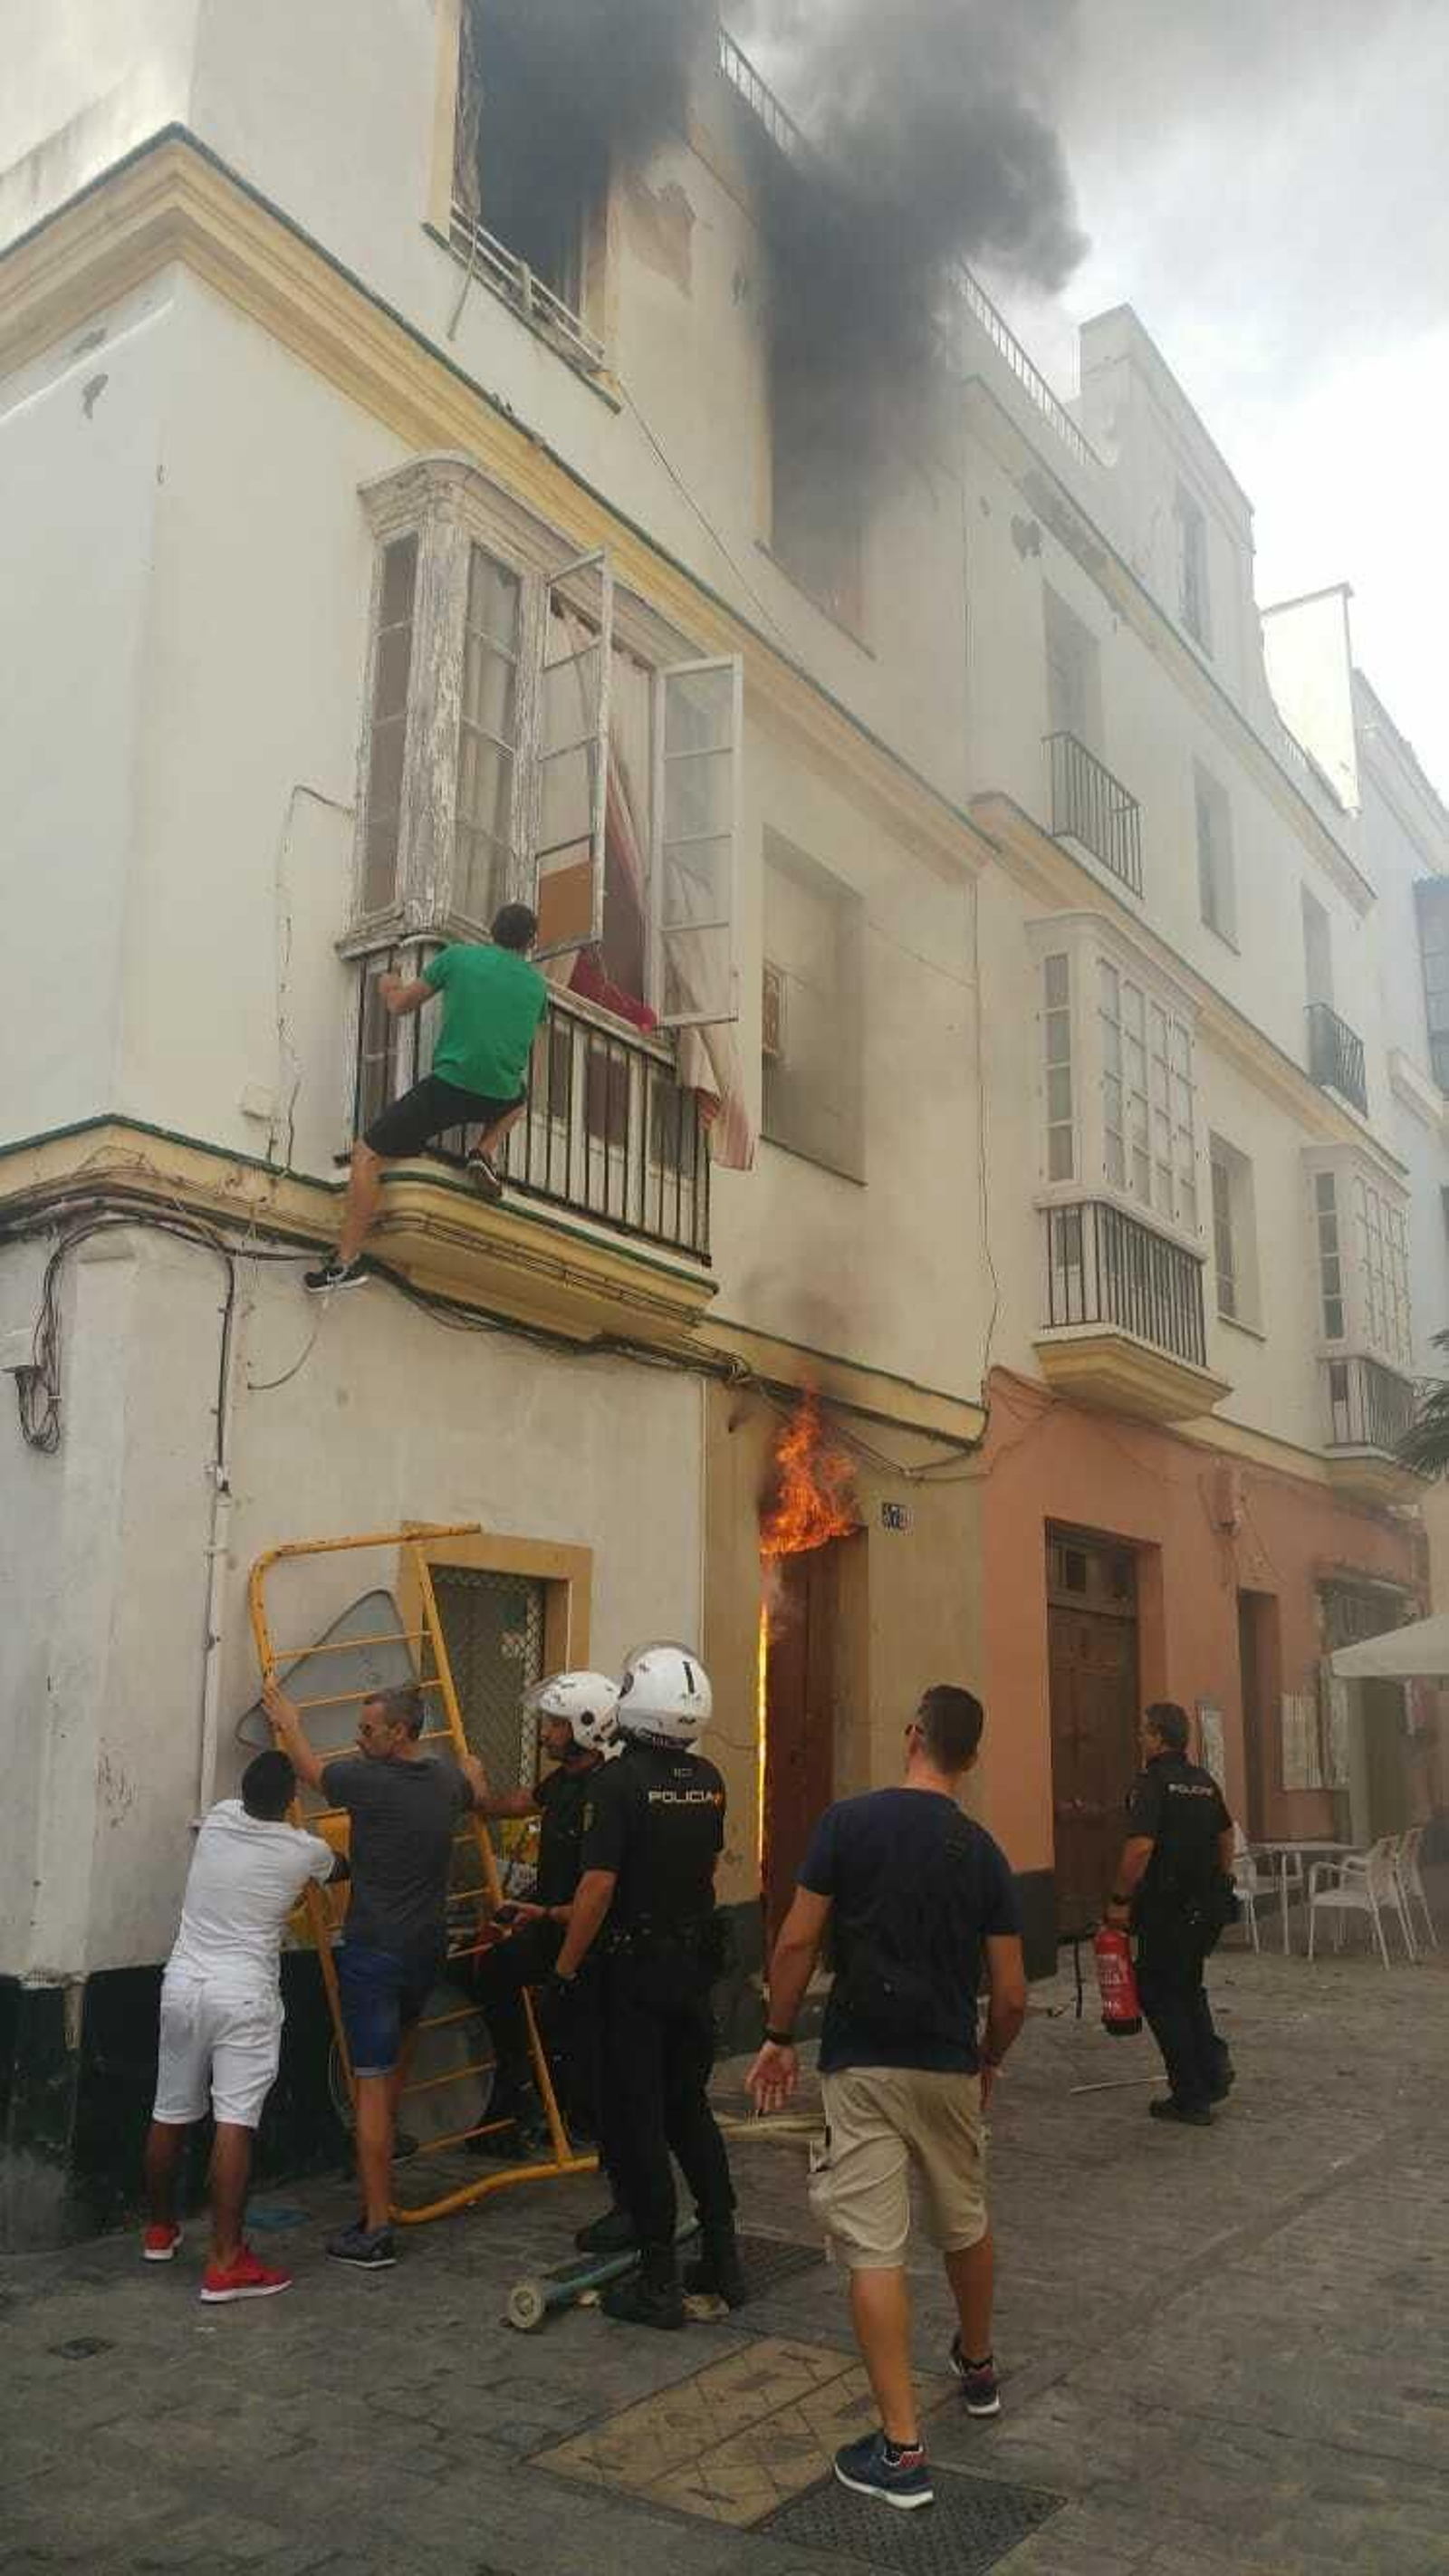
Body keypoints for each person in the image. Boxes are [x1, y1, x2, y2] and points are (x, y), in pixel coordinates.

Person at [747, 1686, 1027, 2515]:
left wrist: (775, 2034)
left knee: (876, 2245)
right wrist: (987, 2060)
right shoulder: (984, 1853)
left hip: (862, 2058)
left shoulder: (846, 1824)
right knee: (965, 2217)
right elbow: (1010, 1993)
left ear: (911, 1736)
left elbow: (797, 1938)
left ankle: (902, 2448)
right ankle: (977, 2368)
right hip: (946, 2059)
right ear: (970, 1759)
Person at [263, 1676, 486, 2267]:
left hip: (374, 1955)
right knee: (391, 2078)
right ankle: (384, 2163)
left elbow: (308, 1770)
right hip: (424, 1953)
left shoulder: (368, 1781)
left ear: (401, 1732)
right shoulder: (444, 1781)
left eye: (368, 1730)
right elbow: (475, 1785)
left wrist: (287, 1719)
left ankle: (378, 2228)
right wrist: (472, 1763)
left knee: (369, 2086)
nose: (359, 1739)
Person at [552, 1643, 741, 2328]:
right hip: (693, 1967)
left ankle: (659, 2277)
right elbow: (707, 1862)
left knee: (638, 2116)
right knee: (689, 2108)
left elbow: (597, 1888)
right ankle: (723, 2253)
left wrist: (565, 1968)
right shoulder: (710, 1777)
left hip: (633, 1971)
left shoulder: (618, 1784)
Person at [143, 1747, 344, 2302]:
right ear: (291, 1802)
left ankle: (160, 2230)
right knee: (236, 2120)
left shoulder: (218, 1821)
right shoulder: (304, 1852)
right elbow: (340, 1867)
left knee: (168, 2110)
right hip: (244, 1996)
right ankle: (226, 2260)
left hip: (183, 1985)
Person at [304, 902, 548, 1293]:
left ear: (492, 929)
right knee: (519, 1096)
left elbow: (401, 1006)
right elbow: (530, 1046)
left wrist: (388, 986)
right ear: (531, 942)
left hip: (451, 1085)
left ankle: (344, 1262)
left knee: (366, 1153)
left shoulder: (459, 958)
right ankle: (484, 1150)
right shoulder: (538, 987)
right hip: (498, 1094)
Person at [465, 1670, 621, 2164]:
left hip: (578, 1931)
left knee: (499, 1975)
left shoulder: (604, 1792)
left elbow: (601, 1890)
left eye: (555, 1725)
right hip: (552, 1920)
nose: (545, 1733)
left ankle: (529, 2105)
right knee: (493, 1972)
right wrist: (477, 1795)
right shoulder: (566, 1781)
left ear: (584, 1728)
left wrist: (545, 1914)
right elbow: (524, 1801)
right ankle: (530, 2101)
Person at [1106, 1701, 1236, 2129]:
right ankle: (1212, 2069)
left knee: (1161, 1995)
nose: (1138, 1738)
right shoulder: (1203, 1782)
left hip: (1165, 1910)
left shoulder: (1152, 1784)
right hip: (1205, 1908)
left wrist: (1120, 1899)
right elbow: (1225, 1834)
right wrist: (1220, 1879)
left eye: (1143, 1731)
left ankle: (1190, 2094)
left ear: (1160, 1737)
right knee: (1187, 1986)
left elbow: (1140, 1847)